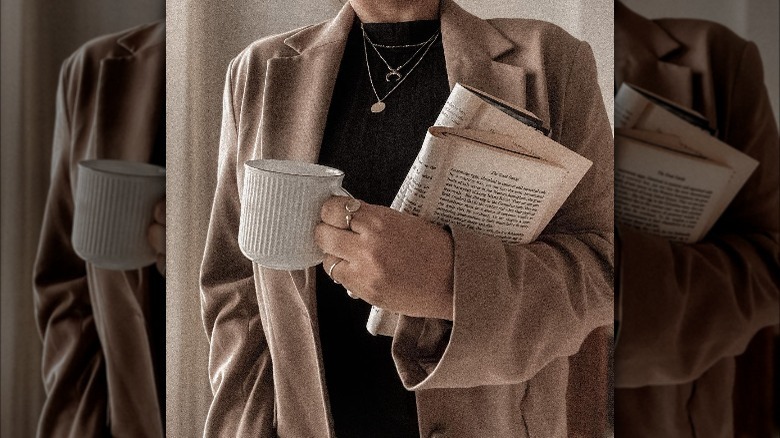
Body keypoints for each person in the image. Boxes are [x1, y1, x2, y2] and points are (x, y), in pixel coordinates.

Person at [200, 0, 613, 436]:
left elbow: (605, 268)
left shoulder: (550, 61)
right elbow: (234, 283)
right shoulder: (257, 71)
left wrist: (452, 280)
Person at [614, 3, 779, 437]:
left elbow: (770, 266)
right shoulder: (438, 53)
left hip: (659, 420)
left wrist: (604, 294)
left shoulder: (716, 60)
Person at [33, 21, 166, 437]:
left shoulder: (287, 63)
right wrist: (79, 419)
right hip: (126, 417)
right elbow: (65, 283)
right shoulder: (90, 70)